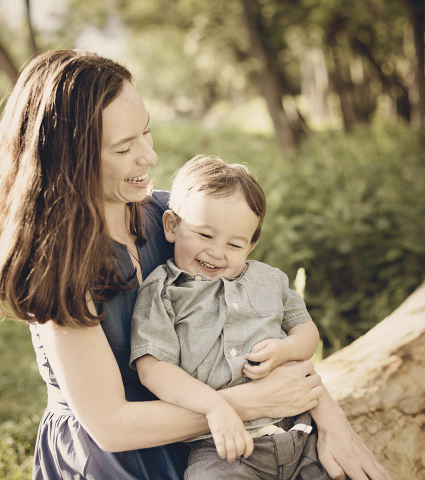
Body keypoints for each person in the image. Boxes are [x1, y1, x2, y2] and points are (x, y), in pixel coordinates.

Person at [0, 49, 391, 480]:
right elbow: (112, 425)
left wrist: (332, 422)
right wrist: (250, 404)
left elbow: (259, 323)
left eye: (146, 132)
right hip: (119, 459)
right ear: (69, 162)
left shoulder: (177, 222)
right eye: (123, 149)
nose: (149, 157)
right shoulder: (56, 266)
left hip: (212, 442)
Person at [130, 155, 335, 479]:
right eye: (205, 235)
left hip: (299, 431)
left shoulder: (269, 280)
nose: (217, 252)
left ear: (251, 246)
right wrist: (214, 405)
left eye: (235, 244)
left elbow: (307, 333)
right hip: (223, 447)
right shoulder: (163, 291)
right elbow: (153, 369)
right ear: (172, 225)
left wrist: (286, 350)